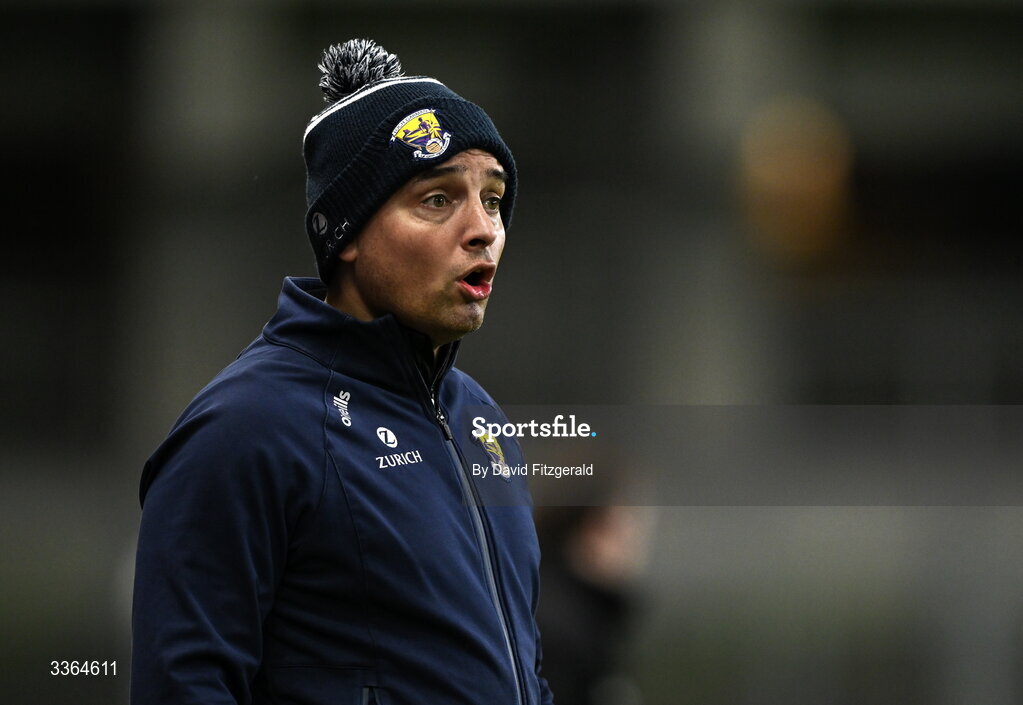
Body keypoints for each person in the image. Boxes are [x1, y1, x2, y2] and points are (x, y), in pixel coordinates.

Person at [131, 38, 554, 705]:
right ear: (347, 233)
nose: (484, 229)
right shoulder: (246, 428)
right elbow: (184, 686)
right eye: (438, 200)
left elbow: (523, 670)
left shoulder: (485, 423)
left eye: (494, 198)